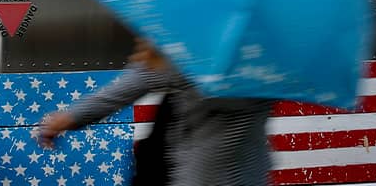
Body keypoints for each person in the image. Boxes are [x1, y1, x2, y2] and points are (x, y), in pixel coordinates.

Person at [35, 38, 274, 186]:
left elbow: (129, 85)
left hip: (201, 174)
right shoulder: (270, 56)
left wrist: (68, 118)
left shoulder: (192, 49)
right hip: (250, 171)